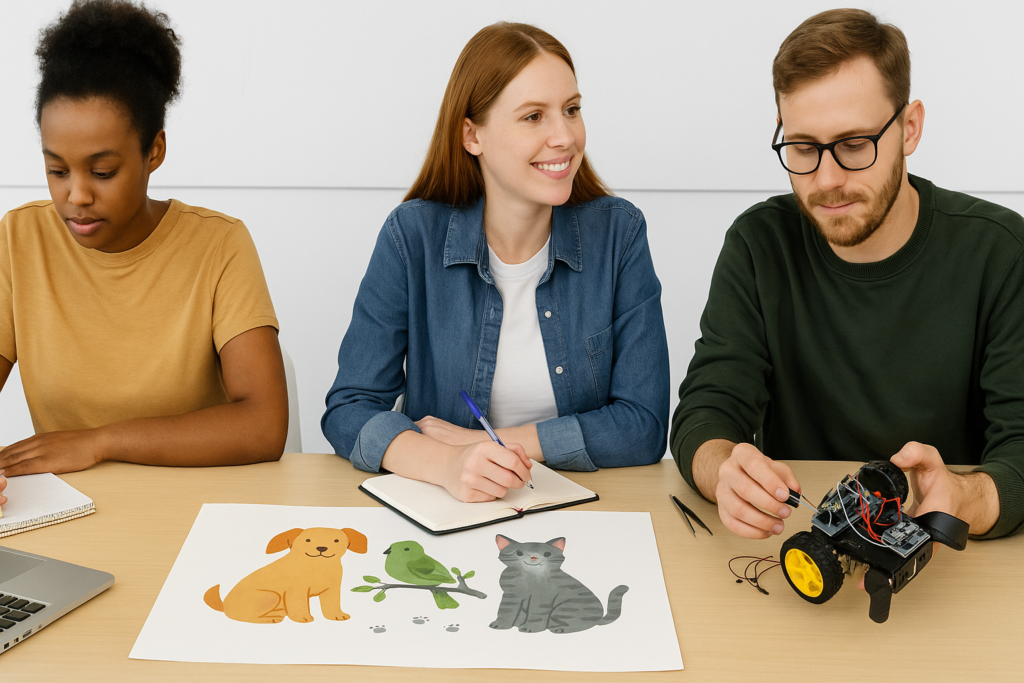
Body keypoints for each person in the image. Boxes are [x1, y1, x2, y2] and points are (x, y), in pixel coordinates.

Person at [671, 8, 1024, 541]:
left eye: (855, 145)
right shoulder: (758, 243)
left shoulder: (999, 251)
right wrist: (723, 468)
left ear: (910, 128)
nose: (827, 179)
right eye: (804, 148)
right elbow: (707, 410)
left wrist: (965, 494)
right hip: (799, 544)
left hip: (954, 557)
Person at [322, 22, 669, 502]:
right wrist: (446, 463)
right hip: (447, 507)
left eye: (571, 110)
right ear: (472, 135)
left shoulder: (620, 234)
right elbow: (350, 407)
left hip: (589, 508)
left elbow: (644, 426)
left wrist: (493, 444)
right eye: (533, 117)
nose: (565, 136)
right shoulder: (412, 237)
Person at [0, 0, 288, 500]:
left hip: (194, 507)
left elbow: (263, 425)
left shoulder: (219, 245)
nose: (77, 196)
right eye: (57, 170)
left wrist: (101, 442)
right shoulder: (18, 240)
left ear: (153, 151)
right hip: (65, 511)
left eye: (103, 171)